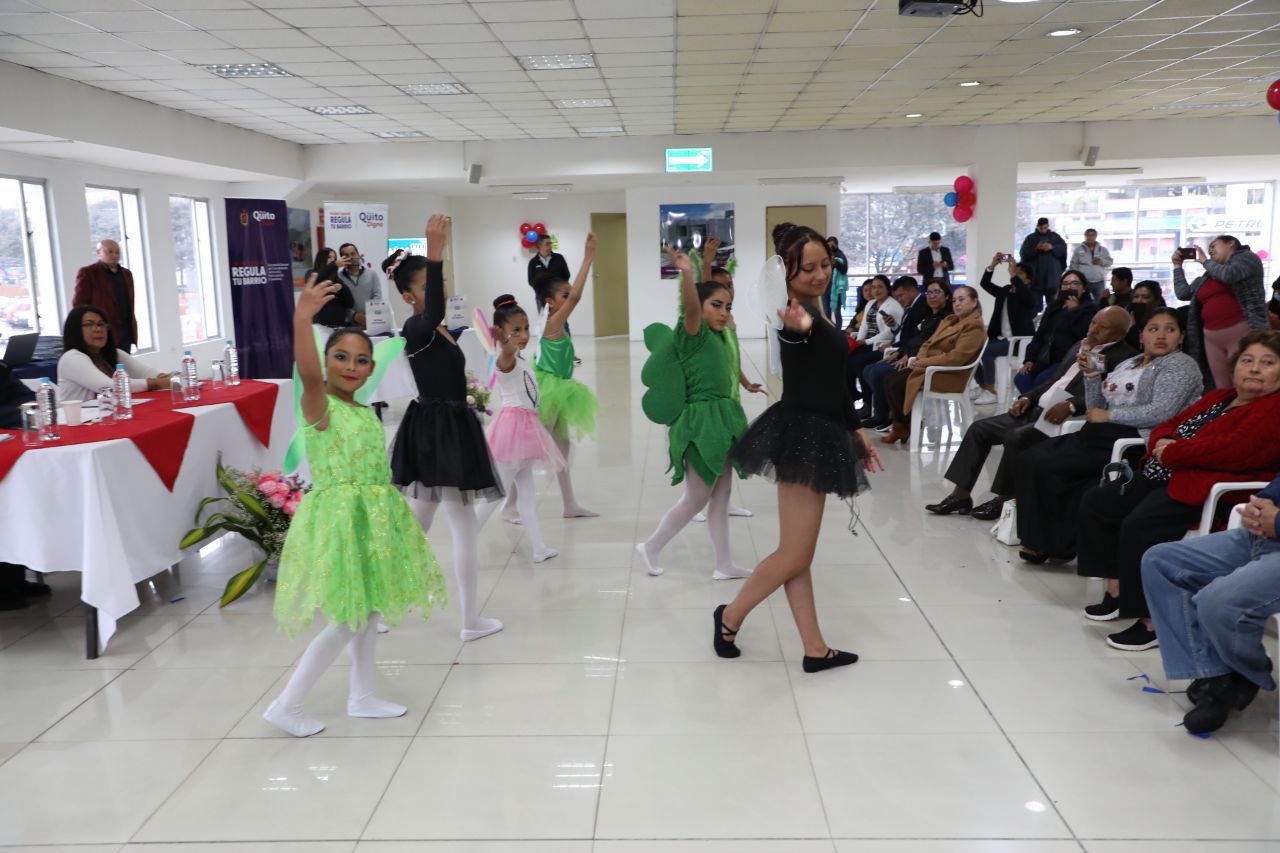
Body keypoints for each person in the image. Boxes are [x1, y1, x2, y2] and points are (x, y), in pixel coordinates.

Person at [264, 274, 445, 737]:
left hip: (372, 517)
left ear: (371, 369)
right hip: (341, 521)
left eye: (362, 360)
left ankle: (361, 696)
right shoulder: (320, 407)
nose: (351, 366)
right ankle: (287, 704)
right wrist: (302, 319)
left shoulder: (363, 411)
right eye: (340, 357)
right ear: (325, 362)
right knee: (348, 618)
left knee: (369, 610)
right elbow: (308, 375)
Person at [716, 223, 884, 673]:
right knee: (794, 553)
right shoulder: (794, 313)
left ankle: (814, 647)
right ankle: (729, 617)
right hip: (804, 434)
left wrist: (857, 429)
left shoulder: (818, 307)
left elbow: (833, 379)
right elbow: (795, 337)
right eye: (807, 268)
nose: (820, 274)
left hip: (821, 429)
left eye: (825, 264)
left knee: (798, 553)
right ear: (787, 273)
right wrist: (797, 329)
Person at [1074, 330, 1280, 651]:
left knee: (1140, 524)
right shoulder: (1220, 397)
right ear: (1235, 366)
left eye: (1267, 363)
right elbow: (1167, 425)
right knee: (1099, 500)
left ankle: (1153, 620)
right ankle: (1117, 589)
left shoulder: (1273, 409)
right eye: (1247, 360)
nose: (1254, 368)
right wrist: (1163, 442)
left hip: (1207, 488)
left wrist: (1172, 452)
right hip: (1166, 472)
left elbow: (1234, 450)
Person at [385, 215, 505, 643]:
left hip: (442, 428)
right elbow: (433, 307)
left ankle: (376, 606)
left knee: (418, 524)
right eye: (427, 285)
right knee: (463, 525)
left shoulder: (435, 329)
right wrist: (434, 254)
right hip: (440, 434)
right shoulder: (417, 327)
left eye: (439, 281)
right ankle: (470, 621)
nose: (441, 289)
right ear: (407, 296)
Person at [1013, 308, 1203, 565]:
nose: (1161, 336)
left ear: (1181, 337)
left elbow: (1160, 413)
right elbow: (1096, 406)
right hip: (1100, 433)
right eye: (1153, 329)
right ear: (1142, 336)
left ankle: (1050, 543)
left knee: (1049, 465)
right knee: (1028, 459)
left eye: (1170, 330)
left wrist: (1110, 415)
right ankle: (1045, 539)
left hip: (1133, 439)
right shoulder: (1130, 363)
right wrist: (1092, 376)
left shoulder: (1180, 365)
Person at [925, 306, 1136, 519]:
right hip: (1037, 408)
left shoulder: (1123, 357)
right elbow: (1054, 380)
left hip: (1062, 416)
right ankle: (960, 495)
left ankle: (1004, 500)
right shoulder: (1079, 345)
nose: (1093, 329)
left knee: (1015, 437)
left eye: (1103, 327)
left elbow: (1105, 395)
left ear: (1120, 334)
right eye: (1093, 322)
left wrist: (1072, 404)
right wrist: (1027, 397)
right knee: (979, 429)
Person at [636, 247, 749, 580]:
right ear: (700, 308)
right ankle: (651, 546)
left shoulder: (718, 336)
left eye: (728, 306)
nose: (724, 312)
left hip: (723, 419)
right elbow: (690, 307)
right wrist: (688, 272)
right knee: (698, 497)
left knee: (722, 493)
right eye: (716, 305)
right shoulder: (693, 335)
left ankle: (723, 564)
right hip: (702, 424)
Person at [1141, 474, 1280, 734]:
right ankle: (1212, 671)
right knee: (1159, 562)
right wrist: (1261, 505)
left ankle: (1245, 672)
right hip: (1261, 536)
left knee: (1217, 601)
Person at [473, 295, 563, 564]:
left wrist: (509, 341)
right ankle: (465, 542)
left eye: (525, 329)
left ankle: (539, 548)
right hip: (512, 431)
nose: (523, 335)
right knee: (494, 496)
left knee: (527, 494)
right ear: (502, 333)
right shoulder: (505, 358)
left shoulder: (519, 358)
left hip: (525, 431)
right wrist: (504, 343)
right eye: (516, 330)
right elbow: (506, 355)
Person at [530, 233, 600, 518]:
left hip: (558, 387)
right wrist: (588, 257)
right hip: (551, 390)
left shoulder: (553, 322)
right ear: (551, 302)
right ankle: (509, 503)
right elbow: (578, 296)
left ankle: (569, 504)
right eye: (565, 296)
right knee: (534, 447)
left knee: (562, 445)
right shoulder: (553, 322)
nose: (570, 299)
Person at [879, 284, 985, 445]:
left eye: (962, 300)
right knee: (890, 380)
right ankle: (901, 425)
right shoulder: (950, 320)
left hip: (950, 374)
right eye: (955, 300)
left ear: (974, 302)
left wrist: (923, 363)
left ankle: (901, 426)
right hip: (932, 368)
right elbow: (928, 343)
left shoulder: (974, 326)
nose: (957, 304)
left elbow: (955, 358)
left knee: (896, 383)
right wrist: (920, 360)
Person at [1172, 235, 1269, 390]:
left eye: (1213, 246)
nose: (1210, 250)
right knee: (1221, 386)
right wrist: (1177, 267)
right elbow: (1183, 293)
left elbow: (1229, 275)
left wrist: (1205, 261)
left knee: (1242, 382)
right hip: (1211, 337)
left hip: (1241, 332)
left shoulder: (1247, 258)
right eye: (1209, 248)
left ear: (1231, 243)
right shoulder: (1208, 275)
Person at [863, 280, 952, 430]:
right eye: (929, 292)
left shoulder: (945, 319)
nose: (931, 296)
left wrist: (909, 355)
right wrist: (900, 351)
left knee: (878, 373)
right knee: (868, 369)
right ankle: (885, 413)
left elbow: (931, 345)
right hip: (908, 354)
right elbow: (913, 339)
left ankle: (887, 417)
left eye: (936, 292)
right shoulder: (928, 316)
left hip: (921, 362)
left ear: (947, 296)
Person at [56, 306, 171, 402]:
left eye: (101, 324)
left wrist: (166, 378)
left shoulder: (114, 353)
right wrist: (156, 383)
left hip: (108, 414)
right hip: (80, 420)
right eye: (89, 325)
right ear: (75, 330)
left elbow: (146, 372)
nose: (98, 329)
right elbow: (108, 386)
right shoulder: (72, 358)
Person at [1015, 270, 1098, 393]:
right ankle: (1033, 402)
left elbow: (1082, 335)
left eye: (1075, 283)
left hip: (1069, 360)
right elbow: (1039, 335)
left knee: (1041, 380)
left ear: (1084, 288)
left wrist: (1073, 311)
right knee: (1021, 378)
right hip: (1045, 357)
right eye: (1065, 283)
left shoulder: (1090, 310)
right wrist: (1030, 359)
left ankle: (1032, 402)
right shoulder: (1054, 308)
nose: (1069, 287)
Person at [975, 253, 1042, 403]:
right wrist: (992, 265)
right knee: (973, 349)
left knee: (987, 351)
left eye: (1020, 273)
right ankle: (983, 386)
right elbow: (985, 284)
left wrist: (1014, 276)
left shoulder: (1031, 294)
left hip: (1018, 342)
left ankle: (991, 390)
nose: (1015, 274)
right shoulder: (1005, 290)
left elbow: (1030, 302)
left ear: (1028, 279)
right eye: (1014, 271)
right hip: (999, 339)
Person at [846, 275, 903, 411]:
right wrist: (858, 342)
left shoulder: (892, 306)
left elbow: (889, 333)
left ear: (887, 289)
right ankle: (851, 395)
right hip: (868, 343)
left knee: (858, 362)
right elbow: (864, 325)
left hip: (883, 345)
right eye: (873, 287)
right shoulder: (871, 303)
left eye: (880, 287)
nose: (876, 290)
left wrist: (865, 341)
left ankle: (867, 403)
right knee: (846, 355)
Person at [73, 240, 136, 352]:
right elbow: (79, 304)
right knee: (105, 362)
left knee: (123, 362)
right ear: (99, 252)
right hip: (102, 331)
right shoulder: (89, 272)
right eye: (110, 252)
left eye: (117, 252)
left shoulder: (127, 274)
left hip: (126, 331)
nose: (114, 255)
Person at [1019, 217, 1067, 302]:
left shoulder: (1055, 237)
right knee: (1035, 304)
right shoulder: (1030, 238)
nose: (1043, 230)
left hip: (1052, 279)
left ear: (1048, 226)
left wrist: (1052, 247)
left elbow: (1063, 250)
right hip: (1035, 279)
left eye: (1045, 228)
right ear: (1037, 226)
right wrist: (1036, 249)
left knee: (1053, 305)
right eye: (1041, 228)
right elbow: (1023, 254)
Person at [336, 243, 381, 329]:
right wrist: (354, 315)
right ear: (342, 259)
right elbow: (339, 302)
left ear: (358, 255)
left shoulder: (372, 274)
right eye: (346, 255)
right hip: (348, 325)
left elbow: (377, 296)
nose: (351, 257)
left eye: (353, 254)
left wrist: (367, 317)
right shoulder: (338, 277)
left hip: (371, 323)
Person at [1069, 228, 1112, 301]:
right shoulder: (1078, 250)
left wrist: (1101, 261)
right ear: (1085, 236)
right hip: (1084, 281)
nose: (1090, 237)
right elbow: (1073, 265)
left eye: (1092, 235)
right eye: (1088, 235)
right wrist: (1077, 278)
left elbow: (1109, 262)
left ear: (1096, 236)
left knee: (1100, 301)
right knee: (1083, 300)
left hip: (1099, 281)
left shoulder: (1103, 249)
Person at [825, 236, 849, 328]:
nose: (831, 247)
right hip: (825, 287)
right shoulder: (824, 255)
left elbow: (844, 270)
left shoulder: (840, 255)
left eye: (833, 245)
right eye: (829, 245)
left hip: (836, 288)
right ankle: (829, 331)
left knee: (837, 312)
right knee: (826, 311)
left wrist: (835, 262)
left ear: (836, 245)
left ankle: (838, 331)